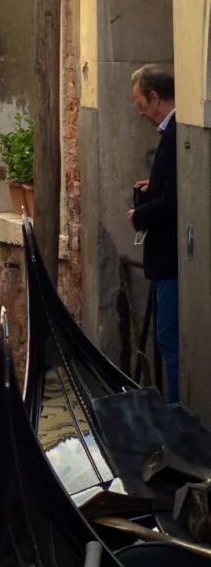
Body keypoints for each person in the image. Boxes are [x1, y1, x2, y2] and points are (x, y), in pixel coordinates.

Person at [129, 63, 179, 402]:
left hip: (171, 258)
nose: (140, 113)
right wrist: (154, 185)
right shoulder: (172, 132)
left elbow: (176, 200)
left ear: (155, 97)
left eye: (140, 104)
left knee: (168, 340)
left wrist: (140, 215)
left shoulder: (177, 133)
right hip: (169, 259)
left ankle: (177, 413)